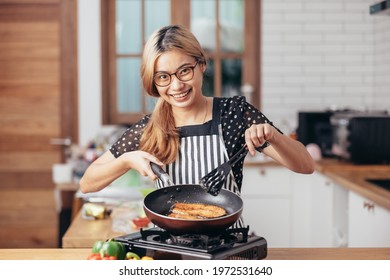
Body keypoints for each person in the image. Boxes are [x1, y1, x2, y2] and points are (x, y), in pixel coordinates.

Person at [80, 25, 314, 227]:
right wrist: (126, 160)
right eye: (163, 77)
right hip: (170, 249)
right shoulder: (150, 128)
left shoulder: (234, 114)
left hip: (227, 247)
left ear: (201, 65)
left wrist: (273, 136)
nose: (176, 85)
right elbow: (88, 183)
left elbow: (305, 165)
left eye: (184, 71)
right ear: (154, 81)